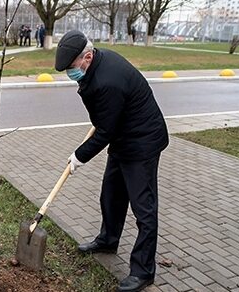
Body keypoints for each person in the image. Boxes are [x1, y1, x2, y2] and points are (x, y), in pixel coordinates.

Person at [54, 30, 168, 292]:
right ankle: (108, 239)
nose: (71, 74)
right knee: (111, 194)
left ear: (88, 57)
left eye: (72, 68)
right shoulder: (98, 66)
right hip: (123, 138)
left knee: (144, 209)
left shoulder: (107, 81)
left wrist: (79, 156)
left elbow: (105, 131)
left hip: (142, 143)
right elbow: (107, 123)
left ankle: (143, 271)